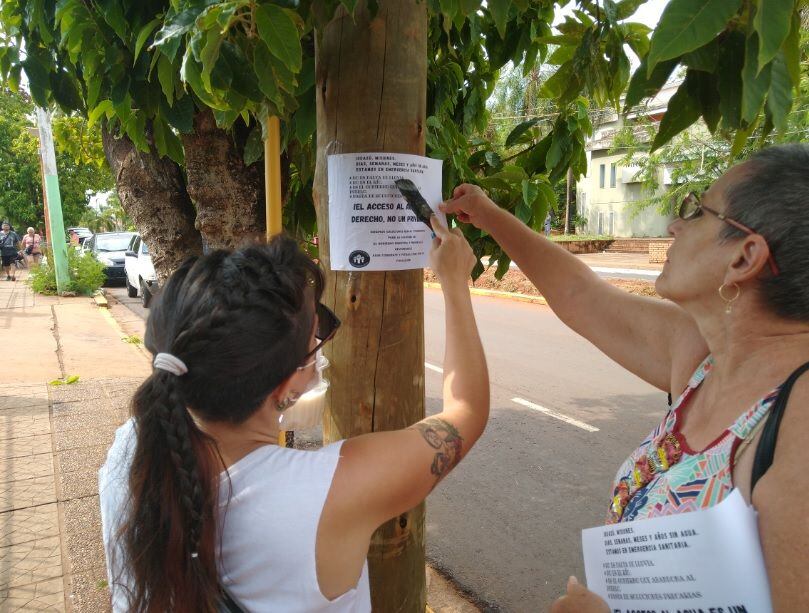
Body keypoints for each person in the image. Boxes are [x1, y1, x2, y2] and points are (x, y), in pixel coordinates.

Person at [439, 143, 809, 612]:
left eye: (697, 212)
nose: (675, 225)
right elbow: (580, 293)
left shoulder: (798, 423)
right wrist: (487, 215)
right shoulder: (701, 355)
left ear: (744, 257)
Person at [98, 223, 488, 612]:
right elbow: (466, 410)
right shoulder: (335, 491)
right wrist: (455, 281)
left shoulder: (132, 448)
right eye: (316, 337)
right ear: (286, 384)